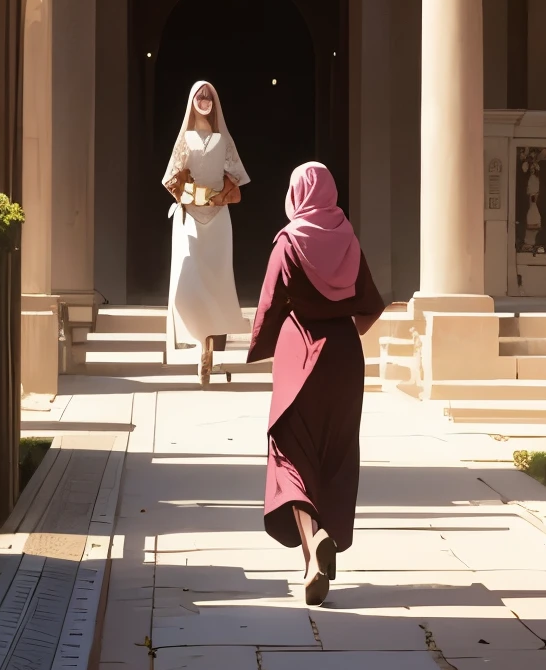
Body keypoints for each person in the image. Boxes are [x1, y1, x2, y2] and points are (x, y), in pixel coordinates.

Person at [248, 161, 384, 604]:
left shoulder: (288, 242)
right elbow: (370, 302)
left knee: (291, 456)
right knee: (336, 454)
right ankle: (322, 547)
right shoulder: (348, 237)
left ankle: (313, 552)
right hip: (346, 358)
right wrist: (347, 332)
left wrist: (262, 345)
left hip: (300, 355)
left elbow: (270, 304)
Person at [163, 80, 250, 384]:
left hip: (218, 219)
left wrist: (220, 193)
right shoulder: (184, 140)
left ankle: (207, 348)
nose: (204, 100)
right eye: (199, 96)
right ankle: (201, 339)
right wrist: (188, 191)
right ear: (191, 101)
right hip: (188, 217)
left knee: (216, 282)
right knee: (186, 285)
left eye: (209, 95)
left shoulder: (224, 141)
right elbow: (171, 178)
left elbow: (238, 177)